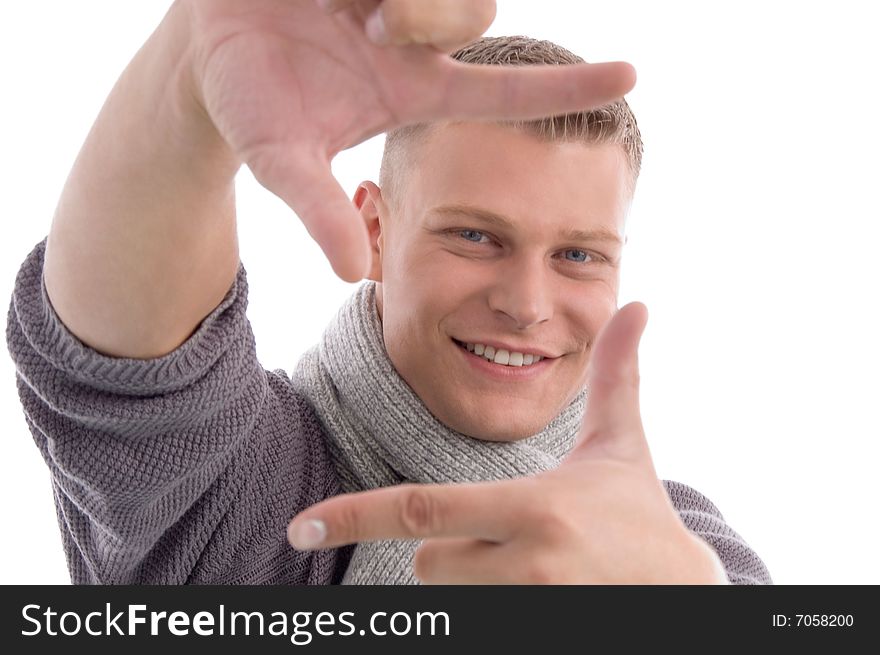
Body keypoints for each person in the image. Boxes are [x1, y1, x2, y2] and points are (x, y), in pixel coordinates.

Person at [6, 0, 771, 584]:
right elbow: (122, 374)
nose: (528, 303)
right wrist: (185, 81)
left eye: (578, 254)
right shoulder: (264, 492)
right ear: (375, 229)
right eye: (475, 236)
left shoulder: (683, 542)